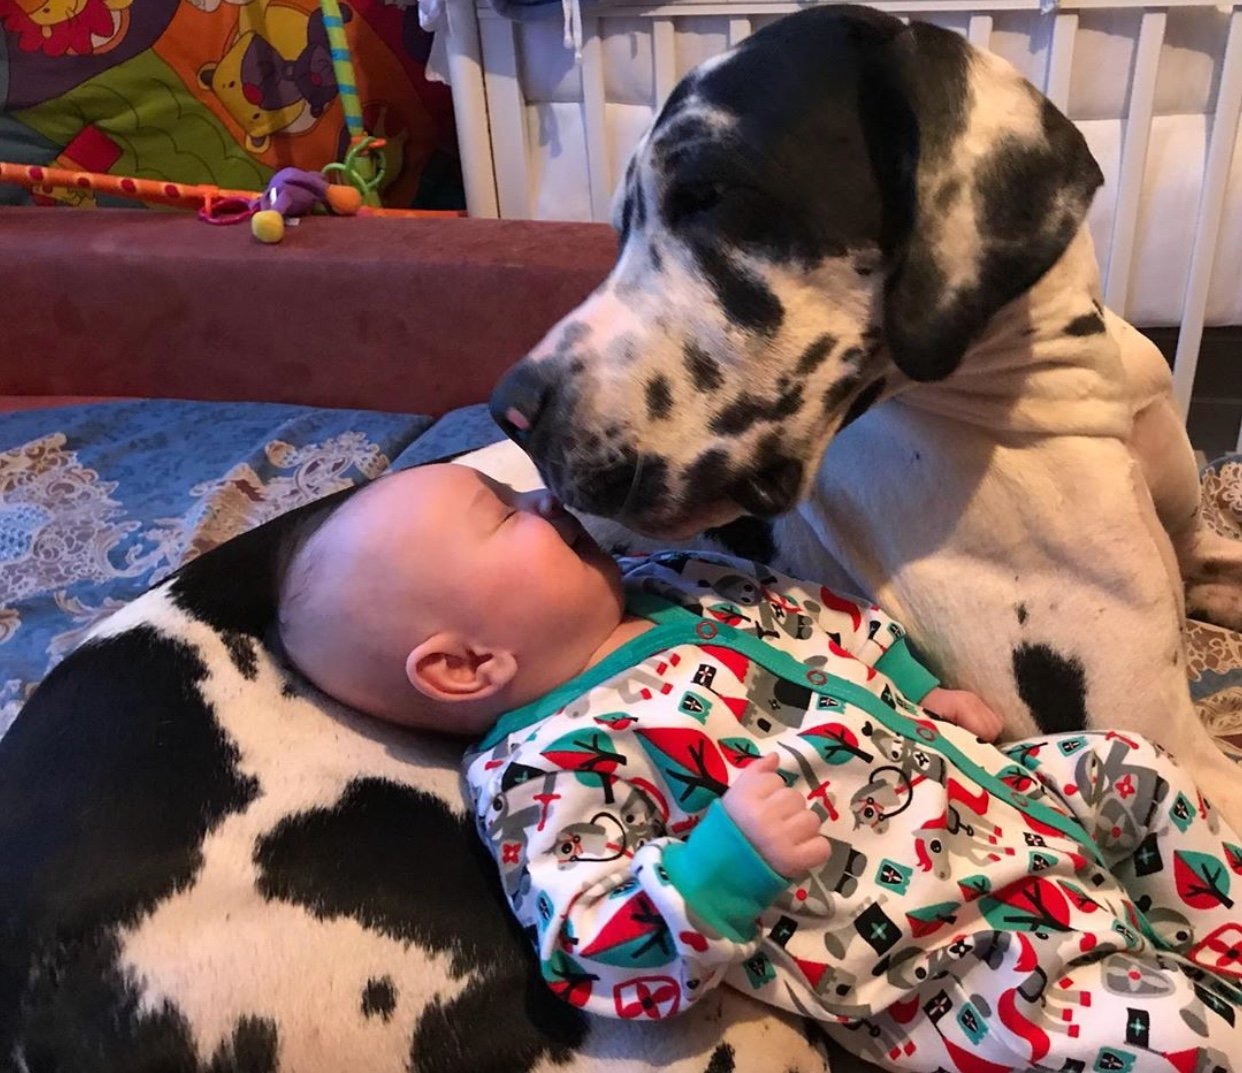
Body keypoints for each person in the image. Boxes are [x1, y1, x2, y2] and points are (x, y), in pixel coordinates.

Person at [277, 463, 1242, 1073]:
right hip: (961, 955)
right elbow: (589, 942)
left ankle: (1221, 942)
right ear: (463, 665)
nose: (538, 494)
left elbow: (829, 621)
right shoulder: (547, 761)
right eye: (500, 514)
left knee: (1132, 766)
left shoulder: (669, 583)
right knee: (1164, 1041)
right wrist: (721, 866)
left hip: (1010, 796)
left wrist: (921, 690)